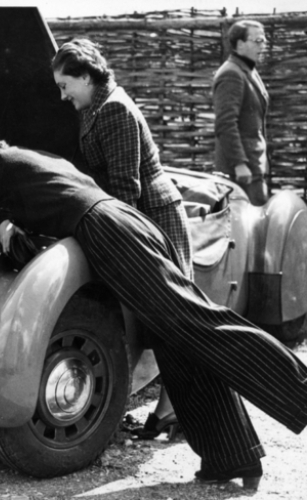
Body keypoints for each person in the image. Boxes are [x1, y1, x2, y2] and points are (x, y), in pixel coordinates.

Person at [0, 134, 307, 490]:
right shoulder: (40, 161)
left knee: (201, 325)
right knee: (176, 338)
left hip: (107, 231)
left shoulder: (0, 162)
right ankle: (232, 455)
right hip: (128, 224)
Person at [52, 38, 191, 439]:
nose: (63, 95)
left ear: (85, 76)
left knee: (172, 315)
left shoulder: (112, 109)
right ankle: (169, 411)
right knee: (161, 316)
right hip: (143, 212)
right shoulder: (96, 104)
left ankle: (173, 412)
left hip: (152, 215)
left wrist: (117, 241)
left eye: (65, 85)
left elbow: (125, 186)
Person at [213, 20, 271, 206]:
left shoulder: (247, 70)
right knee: (246, 227)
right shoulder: (232, 74)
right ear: (240, 44)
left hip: (252, 166)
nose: (263, 45)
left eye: (264, 40)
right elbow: (226, 123)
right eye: (257, 40)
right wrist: (239, 163)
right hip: (240, 172)